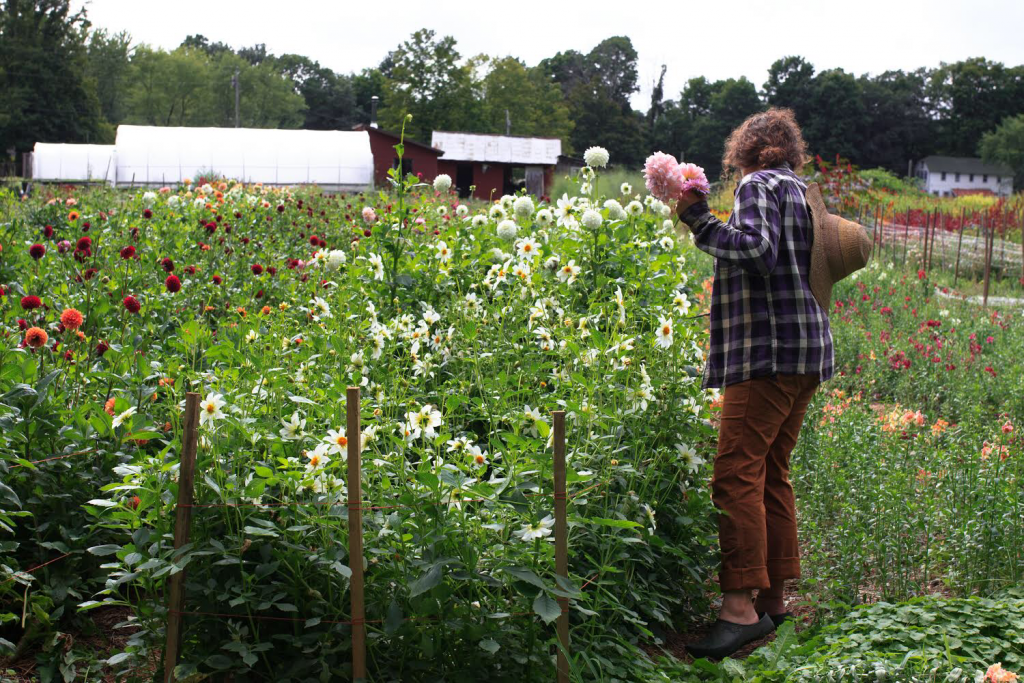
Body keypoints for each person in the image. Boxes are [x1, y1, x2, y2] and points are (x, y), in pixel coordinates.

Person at [675, 108, 833, 659]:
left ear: (743, 150)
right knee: (770, 473)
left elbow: (757, 251)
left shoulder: (756, 185)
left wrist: (698, 218)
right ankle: (773, 603)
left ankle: (739, 609)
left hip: (767, 353)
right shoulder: (804, 191)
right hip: (807, 352)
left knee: (735, 474)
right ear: (792, 148)